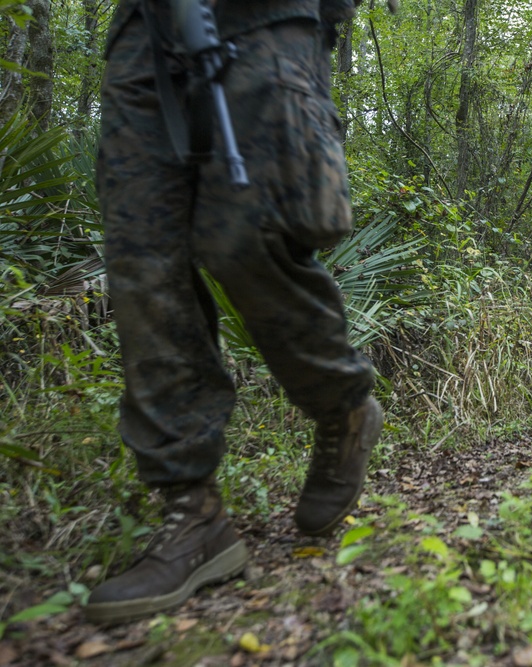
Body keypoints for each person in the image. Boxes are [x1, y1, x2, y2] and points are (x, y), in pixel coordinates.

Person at [84, 0, 383, 624]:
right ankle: (192, 513)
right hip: (145, 26)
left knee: (246, 236)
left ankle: (341, 404)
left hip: (267, 18)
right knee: (144, 262)